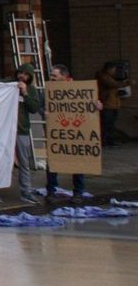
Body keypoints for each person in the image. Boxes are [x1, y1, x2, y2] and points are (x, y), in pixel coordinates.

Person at [44, 65, 98, 200]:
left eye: (55, 76)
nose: (52, 78)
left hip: (76, 132)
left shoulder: (78, 89)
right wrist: (44, 112)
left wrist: (97, 106)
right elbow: (40, 105)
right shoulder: (49, 90)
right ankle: (51, 191)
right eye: (51, 75)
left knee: (77, 161)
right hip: (57, 133)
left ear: (64, 76)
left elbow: (90, 106)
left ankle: (78, 192)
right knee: (53, 162)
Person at [13, 65, 44, 202]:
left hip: (22, 130)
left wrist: (25, 93)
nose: (22, 76)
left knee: (24, 163)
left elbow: (34, 108)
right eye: (20, 73)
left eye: (25, 74)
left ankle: (26, 191)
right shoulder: (9, 85)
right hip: (4, 131)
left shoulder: (31, 90)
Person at [95, 61, 124, 147]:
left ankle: (109, 140)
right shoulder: (103, 76)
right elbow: (112, 84)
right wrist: (127, 82)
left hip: (113, 103)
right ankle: (104, 141)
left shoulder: (110, 77)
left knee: (111, 124)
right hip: (107, 104)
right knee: (106, 124)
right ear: (109, 69)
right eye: (114, 69)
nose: (115, 71)